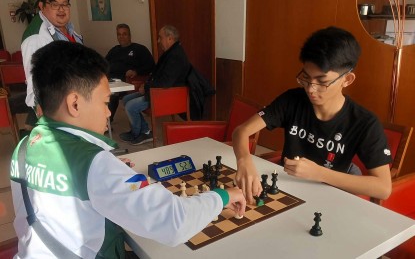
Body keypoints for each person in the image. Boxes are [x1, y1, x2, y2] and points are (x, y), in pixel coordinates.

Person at [9, 41, 246, 258]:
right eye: (104, 102)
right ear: (75, 103)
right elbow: (174, 222)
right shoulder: (95, 164)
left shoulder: (23, 147)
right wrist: (222, 195)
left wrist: (108, 176)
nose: (109, 112)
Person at [232, 26, 392, 204]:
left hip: (331, 195)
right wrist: (244, 159)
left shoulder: (364, 122)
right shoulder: (292, 100)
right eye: (306, 78)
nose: (311, 88)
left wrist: (319, 173)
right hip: (289, 187)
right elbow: (241, 131)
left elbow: (383, 188)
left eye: (322, 81)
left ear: (347, 80)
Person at [119, 25, 191, 145]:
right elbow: (157, 75)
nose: (158, 41)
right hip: (159, 91)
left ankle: (138, 133)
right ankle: (146, 131)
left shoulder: (176, 56)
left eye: (160, 37)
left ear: (170, 38)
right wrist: (145, 85)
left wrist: (146, 87)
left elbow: (165, 82)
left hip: (167, 95)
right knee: (126, 99)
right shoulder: (170, 52)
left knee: (131, 106)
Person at [21, 0, 82, 130]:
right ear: (42, 6)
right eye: (55, 4)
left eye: (65, 4)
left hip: (74, 98)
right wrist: (40, 105)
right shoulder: (36, 36)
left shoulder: (68, 30)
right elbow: (33, 74)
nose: (61, 9)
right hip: (56, 104)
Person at [106, 23, 155, 123]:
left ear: (130, 35)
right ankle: (100, 120)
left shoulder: (139, 49)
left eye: (124, 34)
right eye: (119, 34)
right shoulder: (114, 50)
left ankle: (107, 122)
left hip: (129, 81)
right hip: (111, 79)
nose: (121, 37)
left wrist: (136, 72)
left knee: (112, 94)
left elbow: (151, 66)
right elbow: (104, 63)